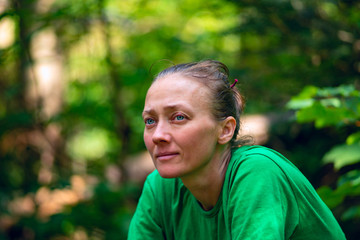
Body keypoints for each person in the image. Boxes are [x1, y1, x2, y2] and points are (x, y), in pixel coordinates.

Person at [128, 60, 346, 239]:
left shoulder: (257, 173)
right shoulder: (160, 187)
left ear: (225, 130)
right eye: (150, 121)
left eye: (179, 117)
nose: (158, 135)